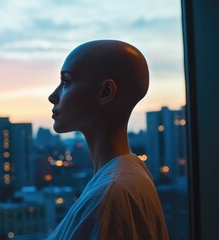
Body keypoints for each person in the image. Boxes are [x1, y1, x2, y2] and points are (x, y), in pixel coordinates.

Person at [47, 40, 169, 240]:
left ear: (105, 92)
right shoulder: (131, 173)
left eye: (66, 82)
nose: (53, 96)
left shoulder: (107, 198)